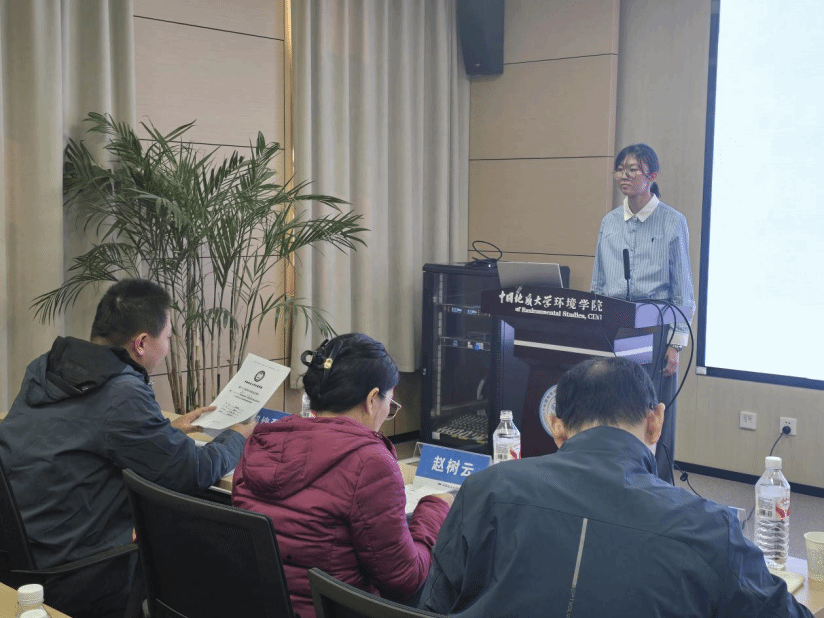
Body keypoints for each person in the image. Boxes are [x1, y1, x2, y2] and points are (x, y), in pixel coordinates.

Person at [419, 357, 813, 618]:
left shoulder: (484, 489)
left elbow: (432, 607)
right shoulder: (710, 527)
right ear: (655, 422)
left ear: (556, 426)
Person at [0, 279, 254, 618]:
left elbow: (83, 437)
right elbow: (191, 472)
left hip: (25, 560)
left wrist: (165, 430)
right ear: (142, 343)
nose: (168, 347)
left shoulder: (47, 368)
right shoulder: (121, 392)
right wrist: (236, 436)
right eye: (167, 338)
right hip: (80, 571)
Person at [232, 333, 452, 618]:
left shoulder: (261, 441)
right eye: (389, 403)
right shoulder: (369, 463)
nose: (387, 412)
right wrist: (434, 508)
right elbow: (404, 580)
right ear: (372, 399)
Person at [590, 143, 695, 483]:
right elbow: (598, 282)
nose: (624, 175)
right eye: (620, 169)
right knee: (613, 405)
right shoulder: (609, 221)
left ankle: (656, 485)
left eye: (633, 169)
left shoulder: (672, 221)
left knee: (652, 410)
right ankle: (615, 478)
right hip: (614, 324)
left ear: (652, 176)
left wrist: (676, 344)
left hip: (654, 326)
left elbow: (683, 290)